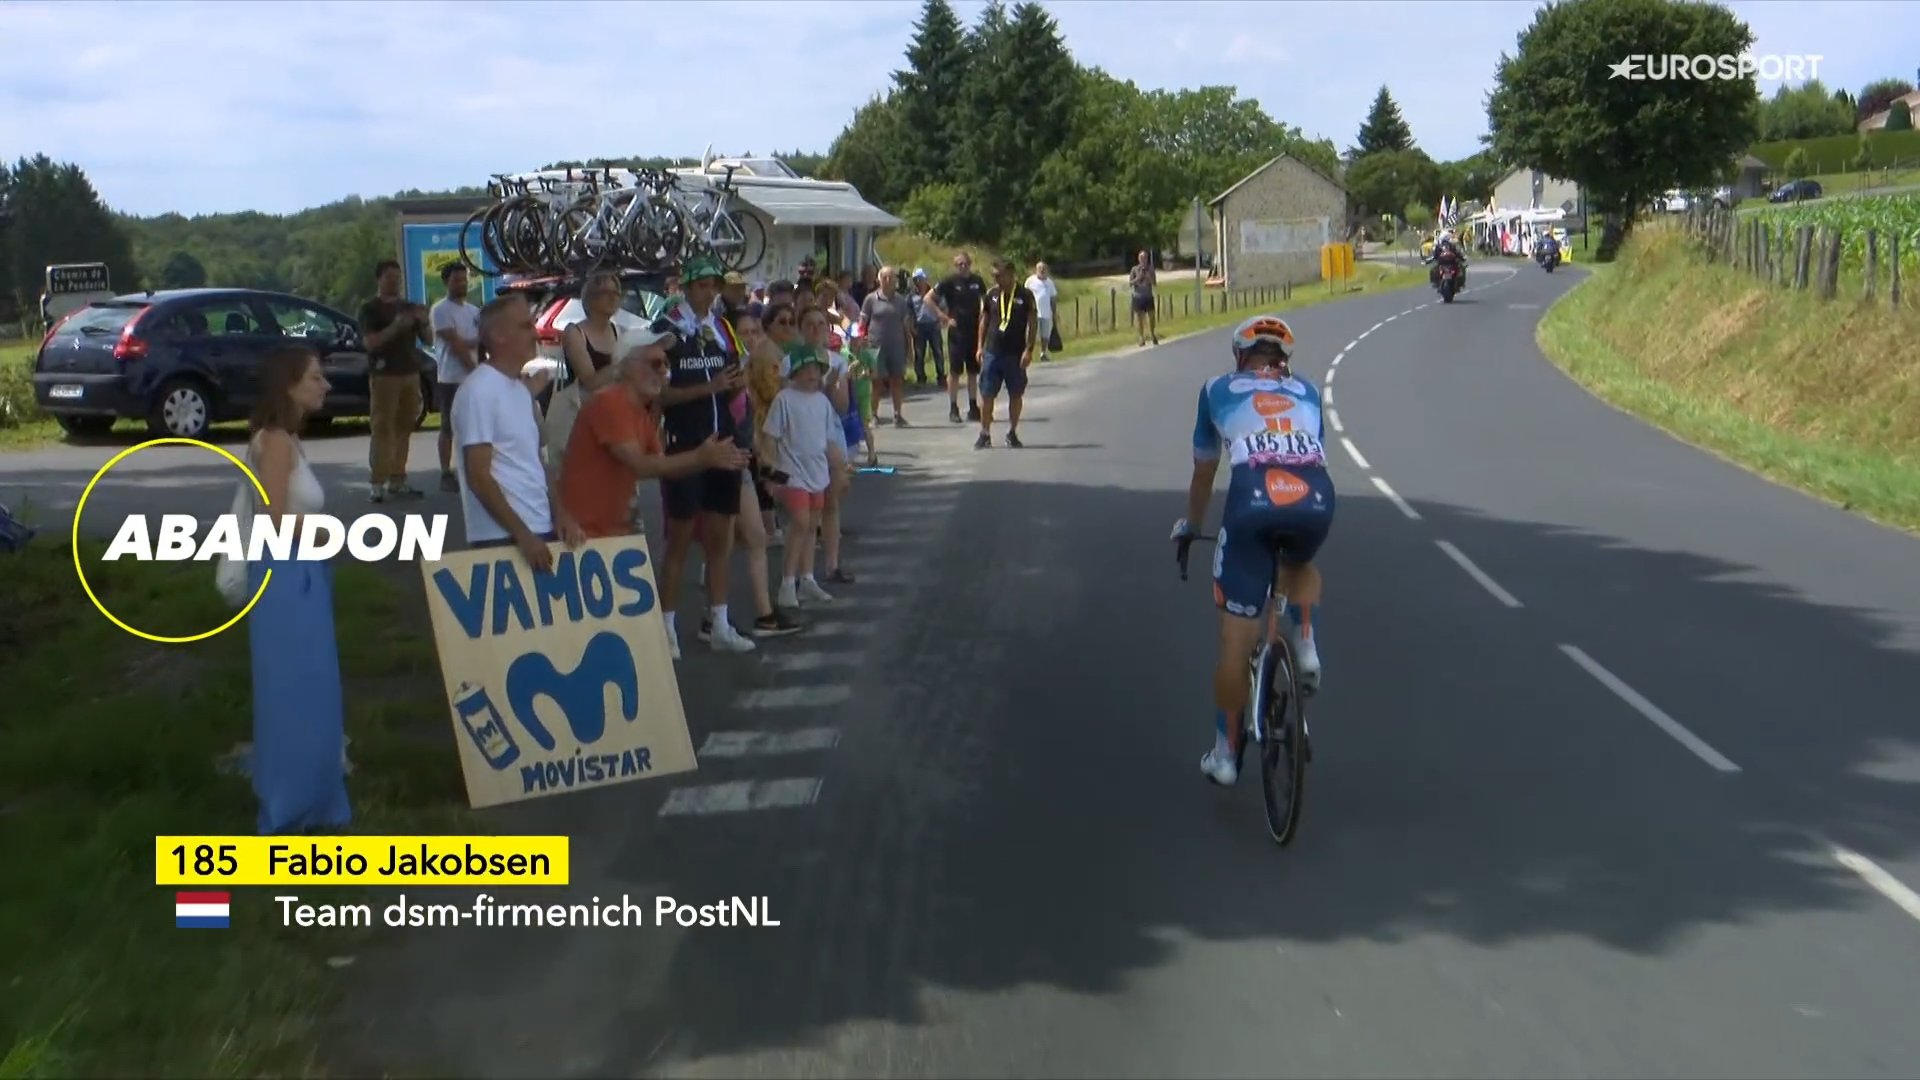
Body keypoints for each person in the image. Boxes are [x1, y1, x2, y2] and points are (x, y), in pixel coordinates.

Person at [1171, 314, 1333, 788]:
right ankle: (1305, 645)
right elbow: (1313, 452)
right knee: (1299, 562)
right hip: (1315, 496)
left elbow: (1204, 470)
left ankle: (1225, 753)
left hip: (1253, 499)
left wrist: (1192, 525)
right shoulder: (1306, 390)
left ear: (1241, 356)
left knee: (1234, 641)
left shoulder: (1216, 388)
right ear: (1285, 360)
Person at [245, 343, 350, 835]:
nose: (325, 385)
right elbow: (274, 520)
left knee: (312, 687)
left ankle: (314, 795)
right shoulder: (277, 441)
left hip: (299, 571)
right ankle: (294, 804)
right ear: (288, 384)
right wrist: (331, 534)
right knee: (297, 688)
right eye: (315, 377)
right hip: (285, 576)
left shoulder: (287, 438)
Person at [653, 254, 754, 657]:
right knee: (678, 540)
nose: (708, 293)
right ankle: (666, 626)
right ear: (685, 288)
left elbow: (732, 380)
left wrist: (737, 383)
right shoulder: (667, 328)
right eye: (701, 286)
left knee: (720, 540)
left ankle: (719, 622)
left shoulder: (722, 327)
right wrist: (709, 388)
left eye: (713, 285)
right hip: (687, 443)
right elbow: (661, 394)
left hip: (724, 441)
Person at [558, 331, 751, 538]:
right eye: (656, 364)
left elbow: (662, 466)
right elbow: (641, 465)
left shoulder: (639, 411)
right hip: (579, 530)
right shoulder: (611, 402)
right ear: (627, 367)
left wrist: (710, 459)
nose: (665, 373)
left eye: (667, 365)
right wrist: (701, 457)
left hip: (607, 532)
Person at [454, 294, 581, 570]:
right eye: (525, 326)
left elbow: (537, 462)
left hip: (538, 527)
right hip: (501, 538)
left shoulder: (519, 390)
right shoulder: (478, 391)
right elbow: (478, 476)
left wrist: (560, 513)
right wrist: (522, 534)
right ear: (498, 335)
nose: (535, 333)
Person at [764, 350, 848, 611]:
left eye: (817, 369)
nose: (813, 374)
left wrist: (839, 466)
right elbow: (770, 437)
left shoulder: (822, 402)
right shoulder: (784, 399)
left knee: (812, 524)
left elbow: (829, 439)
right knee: (800, 522)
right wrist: (770, 473)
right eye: (807, 369)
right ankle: (787, 584)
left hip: (818, 472)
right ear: (795, 372)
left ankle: (807, 578)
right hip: (793, 473)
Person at [357, 258, 430, 502]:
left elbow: (428, 340)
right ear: (379, 279)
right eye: (389, 277)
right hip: (384, 374)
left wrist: (424, 321)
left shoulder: (409, 306)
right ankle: (377, 482)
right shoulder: (370, 309)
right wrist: (396, 327)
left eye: (397, 277)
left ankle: (398, 479)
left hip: (410, 372)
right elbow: (370, 343)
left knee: (405, 427)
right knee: (382, 428)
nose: (395, 282)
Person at [975, 257, 1038, 451]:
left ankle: (1012, 432)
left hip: (1015, 353)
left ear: (1010, 275)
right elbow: (984, 321)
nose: (995, 279)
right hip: (993, 352)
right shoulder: (991, 294)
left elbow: (1032, 323)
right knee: (986, 394)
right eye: (993, 275)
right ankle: (984, 433)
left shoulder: (1025, 295)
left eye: (998, 275)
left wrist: (1029, 349)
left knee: (1016, 394)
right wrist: (979, 346)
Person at [430, 262, 481, 493]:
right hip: (451, 377)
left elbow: (481, 341)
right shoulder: (440, 310)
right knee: (448, 426)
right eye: (456, 280)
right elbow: (455, 344)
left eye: (464, 279)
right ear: (446, 282)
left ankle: (471, 470)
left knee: (473, 425)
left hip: (473, 377)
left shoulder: (473, 311)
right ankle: (445, 472)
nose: (462, 284)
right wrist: (475, 369)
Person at [932, 252, 987, 424]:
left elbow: (985, 301)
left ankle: (973, 406)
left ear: (970, 264)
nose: (963, 267)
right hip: (956, 332)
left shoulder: (977, 281)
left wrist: (984, 318)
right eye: (959, 264)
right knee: (955, 372)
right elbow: (929, 299)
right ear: (955, 265)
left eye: (965, 263)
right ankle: (953, 407)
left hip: (974, 330)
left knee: (973, 371)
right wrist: (944, 317)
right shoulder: (950, 281)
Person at [859, 263, 913, 427]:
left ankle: (898, 415)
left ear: (895, 280)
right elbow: (862, 323)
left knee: (897, 381)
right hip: (875, 347)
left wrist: (910, 348)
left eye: (891, 277)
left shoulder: (901, 301)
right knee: (877, 383)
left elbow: (906, 327)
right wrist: (860, 341)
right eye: (884, 277)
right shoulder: (871, 299)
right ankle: (874, 415)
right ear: (879, 280)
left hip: (896, 346)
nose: (888, 280)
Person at [909, 268, 945, 387]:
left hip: (933, 325)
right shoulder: (911, 295)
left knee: (938, 352)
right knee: (919, 354)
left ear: (925, 279)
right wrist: (911, 327)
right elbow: (909, 313)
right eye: (916, 280)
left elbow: (943, 306)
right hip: (919, 326)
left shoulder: (935, 292)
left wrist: (941, 320)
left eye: (920, 279)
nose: (918, 282)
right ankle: (920, 378)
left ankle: (941, 376)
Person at [1024, 261, 1059, 362]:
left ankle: (1043, 352)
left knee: (1045, 335)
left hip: (1046, 312)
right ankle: (1028, 352)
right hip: (1033, 313)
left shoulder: (1049, 283)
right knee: (1031, 334)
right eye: (1040, 269)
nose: (1042, 270)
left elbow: (1053, 299)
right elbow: (1025, 295)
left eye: (1044, 269)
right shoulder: (1030, 281)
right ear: (1036, 270)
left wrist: (1054, 312)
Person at [1128, 249, 1159, 347]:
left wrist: (1148, 277)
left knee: (1152, 317)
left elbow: (1154, 283)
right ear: (1138, 259)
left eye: (1145, 257)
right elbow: (1130, 283)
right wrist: (1139, 277)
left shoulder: (1151, 269)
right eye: (1141, 258)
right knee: (1139, 318)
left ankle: (1152, 334)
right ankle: (1141, 337)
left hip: (1148, 296)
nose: (1143, 259)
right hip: (1138, 296)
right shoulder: (1134, 269)